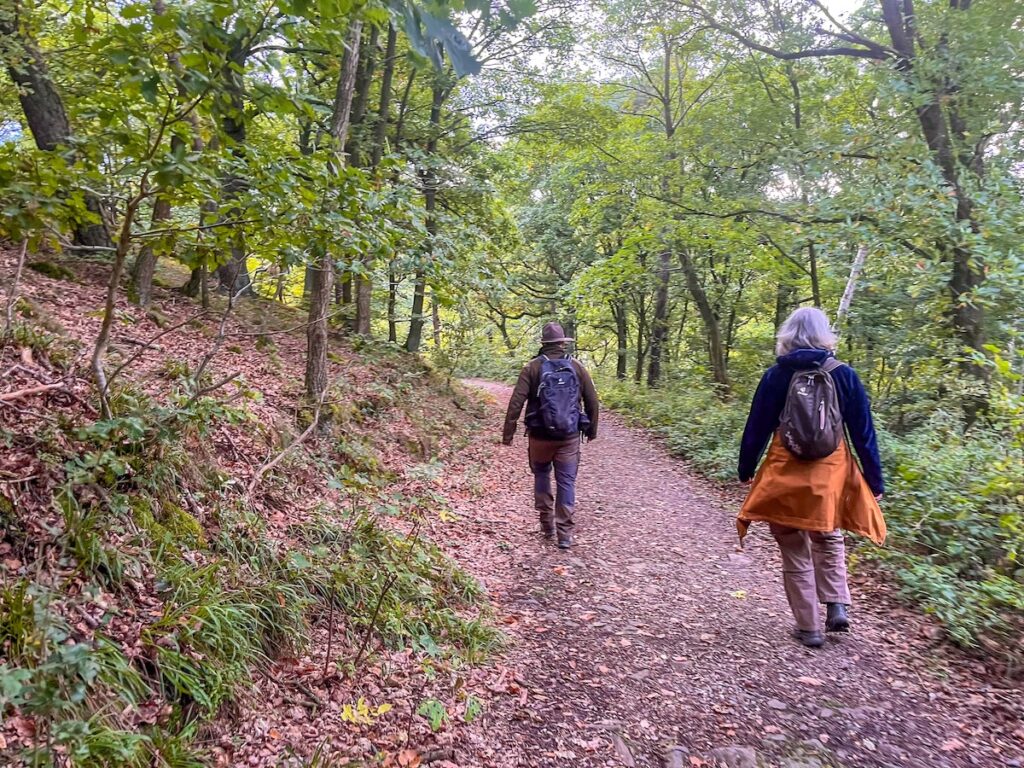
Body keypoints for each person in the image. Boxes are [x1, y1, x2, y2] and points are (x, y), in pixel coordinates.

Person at [737, 307, 886, 648]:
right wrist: (874, 481)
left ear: (787, 335)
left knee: (792, 544)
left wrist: (746, 468)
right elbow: (864, 433)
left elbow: (757, 426)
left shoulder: (777, 376)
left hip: (784, 469)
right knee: (828, 533)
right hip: (830, 471)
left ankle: (809, 627)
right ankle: (836, 603)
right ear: (825, 335)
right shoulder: (844, 374)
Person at [503, 322, 599, 549]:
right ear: (563, 343)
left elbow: (516, 402)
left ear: (543, 344)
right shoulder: (576, 367)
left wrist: (508, 434)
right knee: (566, 482)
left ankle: (547, 525)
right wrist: (591, 430)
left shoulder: (532, 368)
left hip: (539, 436)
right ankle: (564, 534)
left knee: (542, 476)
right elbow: (592, 401)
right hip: (568, 436)